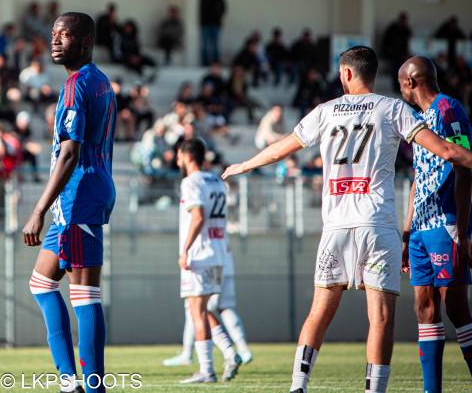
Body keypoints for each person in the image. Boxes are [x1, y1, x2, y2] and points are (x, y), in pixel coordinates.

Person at [221, 46, 472, 393]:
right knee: (380, 317)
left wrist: (244, 165)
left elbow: (285, 146)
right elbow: (446, 150)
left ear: (348, 74)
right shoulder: (393, 108)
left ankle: (298, 385)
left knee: (319, 312)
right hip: (377, 224)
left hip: (336, 226)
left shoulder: (326, 111)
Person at [22, 12, 116, 393]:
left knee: (84, 293)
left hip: (78, 197)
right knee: (41, 284)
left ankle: (91, 386)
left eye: (66, 35)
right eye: (54, 34)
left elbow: (70, 153)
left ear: (86, 41)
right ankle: (69, 382)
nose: (56, 41)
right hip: (78, 199)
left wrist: (37, 209)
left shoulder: (78, 84)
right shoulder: (100, 82)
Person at [398, 56, 472, 390]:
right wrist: (407, 230)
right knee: (424, 308)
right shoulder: (419, 120)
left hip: (446, 223)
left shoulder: (448, 110)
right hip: (421, 230)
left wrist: (464, 230)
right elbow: (419, 178)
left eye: (400, 83)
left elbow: (464, 168)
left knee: (455, 307)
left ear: (410, 82)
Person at [174, 138, 240, 384]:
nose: (177, 161)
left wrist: (185, 249)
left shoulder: (190, 182)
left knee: (196, 311)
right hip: (219, 252)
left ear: (188, 156)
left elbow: (198, 217)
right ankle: (230, 352)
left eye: (179, 156)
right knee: (204, 309)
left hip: (199, 254)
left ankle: (207, 370)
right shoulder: (216, 180)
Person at [199, 0, 226, 66]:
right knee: (205, 45)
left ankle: (215, 63)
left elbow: (223, 9)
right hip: (205, 25)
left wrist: (217, 17)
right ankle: (205, 63)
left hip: (216, 24)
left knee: (215, 45)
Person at [381, 12, 411, 87]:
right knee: (395, 70)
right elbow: (386, 40)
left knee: (402, 70)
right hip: (394, 53)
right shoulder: (392, 28)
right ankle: (395, 86)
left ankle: (399, 86)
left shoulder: (406, 29)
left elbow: (409, 41)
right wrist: (387, 50)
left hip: (402, 54)